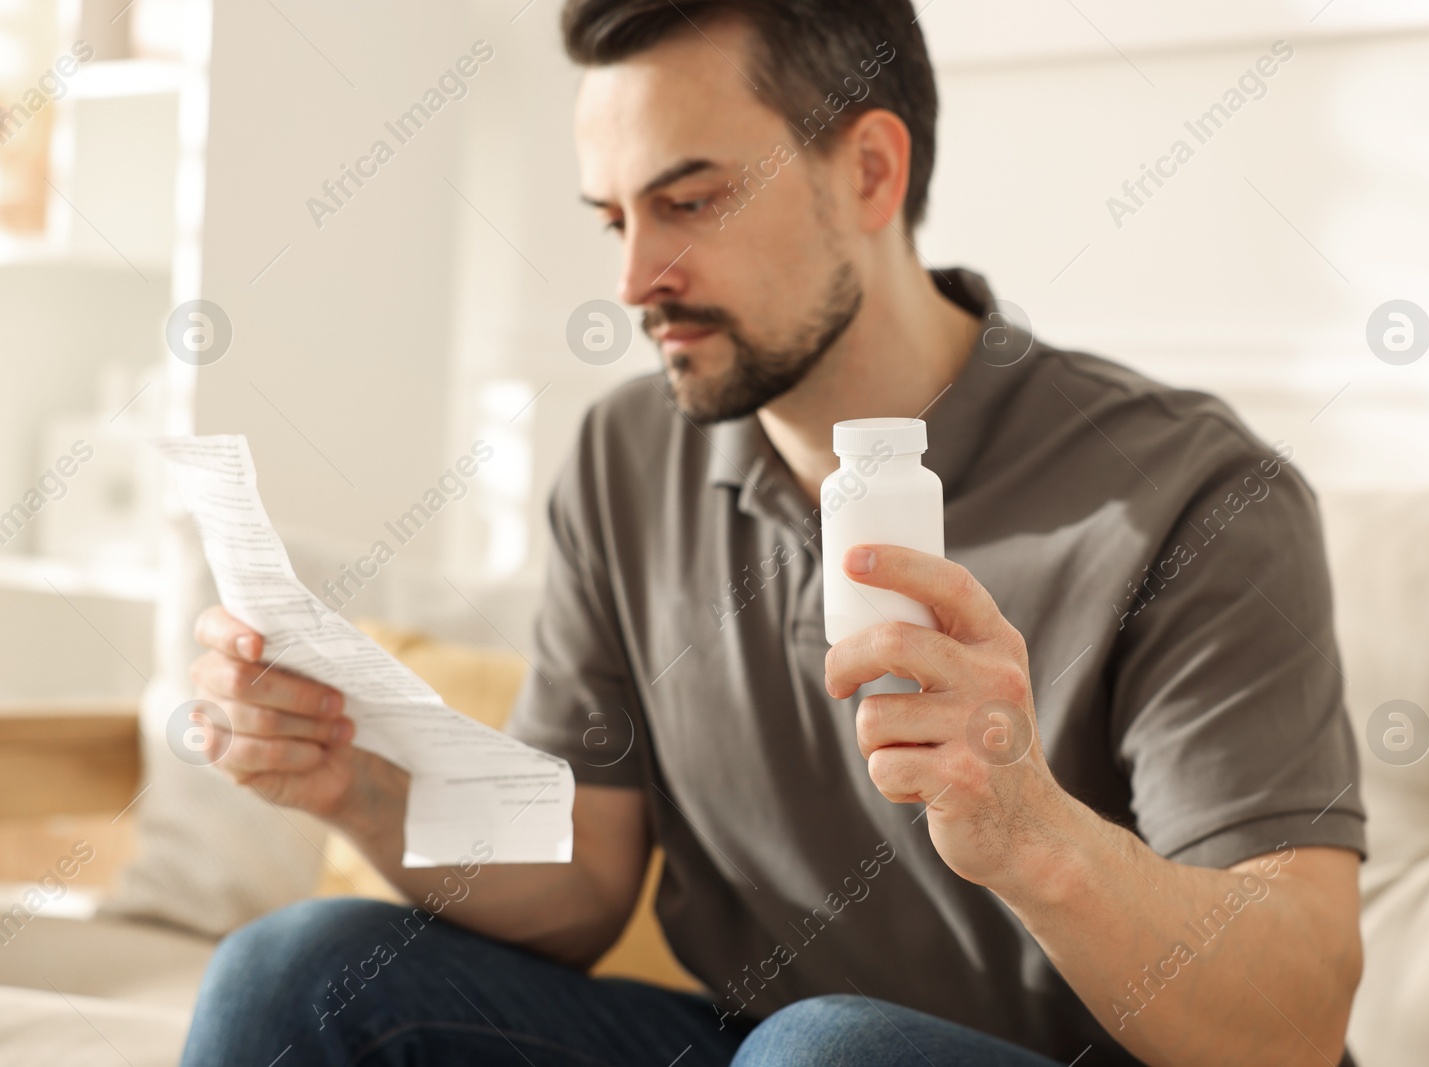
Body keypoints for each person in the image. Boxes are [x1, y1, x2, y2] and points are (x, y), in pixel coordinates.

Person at [180, 1, 1365, 1064]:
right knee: (294, 973)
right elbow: (589, 877)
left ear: (869, 171)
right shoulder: (625, 460)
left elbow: (1293, 1024)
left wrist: (1033, 831)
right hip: (762, 1052)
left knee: (825, 1053)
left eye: (690, 201)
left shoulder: (1191, 492)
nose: (637, 277)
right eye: (614, 220)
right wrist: (360, 790)